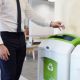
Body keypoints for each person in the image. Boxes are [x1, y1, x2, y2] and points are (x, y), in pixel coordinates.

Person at [0, 0, 65, 80]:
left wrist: (50, 23)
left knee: (17, 73)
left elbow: (33, 15)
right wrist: (0, 45)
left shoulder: (23, 1)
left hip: (21, 37)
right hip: (6, 38)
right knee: (9, 75)